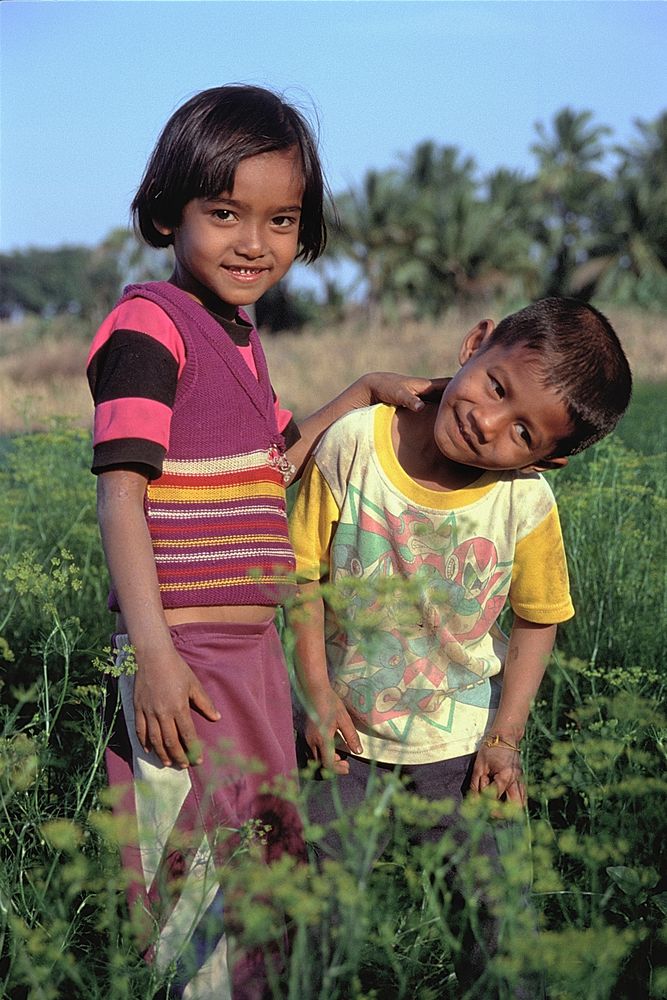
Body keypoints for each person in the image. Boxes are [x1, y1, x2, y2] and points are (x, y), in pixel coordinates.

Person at [86, 84, 438, 1000]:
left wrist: (356, 393)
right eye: (224, 213)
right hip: (187, 654)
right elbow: (121, 497)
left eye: (280, 219)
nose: (255, 242)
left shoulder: (237, 334)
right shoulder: (149, 327)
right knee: (192, 863)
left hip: (253, 650)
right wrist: (154, 654)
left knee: (264, 853)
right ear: (167, 213)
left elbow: (273, 458)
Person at [289, 297, 632, 996]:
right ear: (475, 342)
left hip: (464, 746)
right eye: (497, 387)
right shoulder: (354, 443)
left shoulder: (525, 502)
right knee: (309, 926)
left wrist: (504, 739)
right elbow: (298, 578)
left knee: (498, 934)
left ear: (551, 457)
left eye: (521, 432)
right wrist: (317, 694)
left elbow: (539, 620)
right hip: (340, 738)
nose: (486, 421)